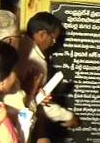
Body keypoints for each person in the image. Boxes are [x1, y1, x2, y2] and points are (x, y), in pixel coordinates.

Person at [17, 12, 79, 143]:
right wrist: (67, 116)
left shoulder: (19, 46)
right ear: (42, 35)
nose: (53, 43)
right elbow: (37, 102)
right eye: (53, 38)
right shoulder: (36, 62)